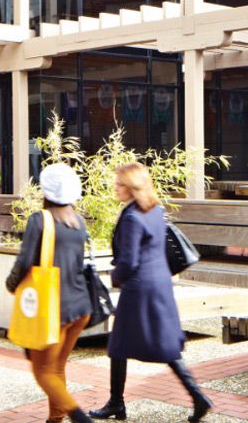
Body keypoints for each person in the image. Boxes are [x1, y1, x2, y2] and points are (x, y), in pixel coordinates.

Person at [89, 163, 212, 422]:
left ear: (132, 187)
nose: (115, 187)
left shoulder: (133, 217)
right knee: (157, 346)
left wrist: (114, 277)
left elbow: (129, 261)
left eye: (120, 184)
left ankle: (118, 403)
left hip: (139, 289)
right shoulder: (154, 210)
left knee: (123, 345)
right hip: (159, 285)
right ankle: (194, 397)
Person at [6, 164, 95, 423]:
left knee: (42, 371)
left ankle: (80, 418)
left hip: (54, 307)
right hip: (80, 307)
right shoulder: (78, 221)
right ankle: (55, 419)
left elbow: (24, 262)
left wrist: (11, 285)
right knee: (56, 368)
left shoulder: (40, 220)